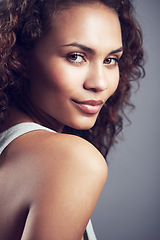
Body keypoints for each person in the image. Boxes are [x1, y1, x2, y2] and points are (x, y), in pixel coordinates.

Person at [0, 0, 145, 239]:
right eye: (76, 56)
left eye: (110, 60)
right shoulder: (73, 160)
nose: (99, 83)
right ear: (21, 58)